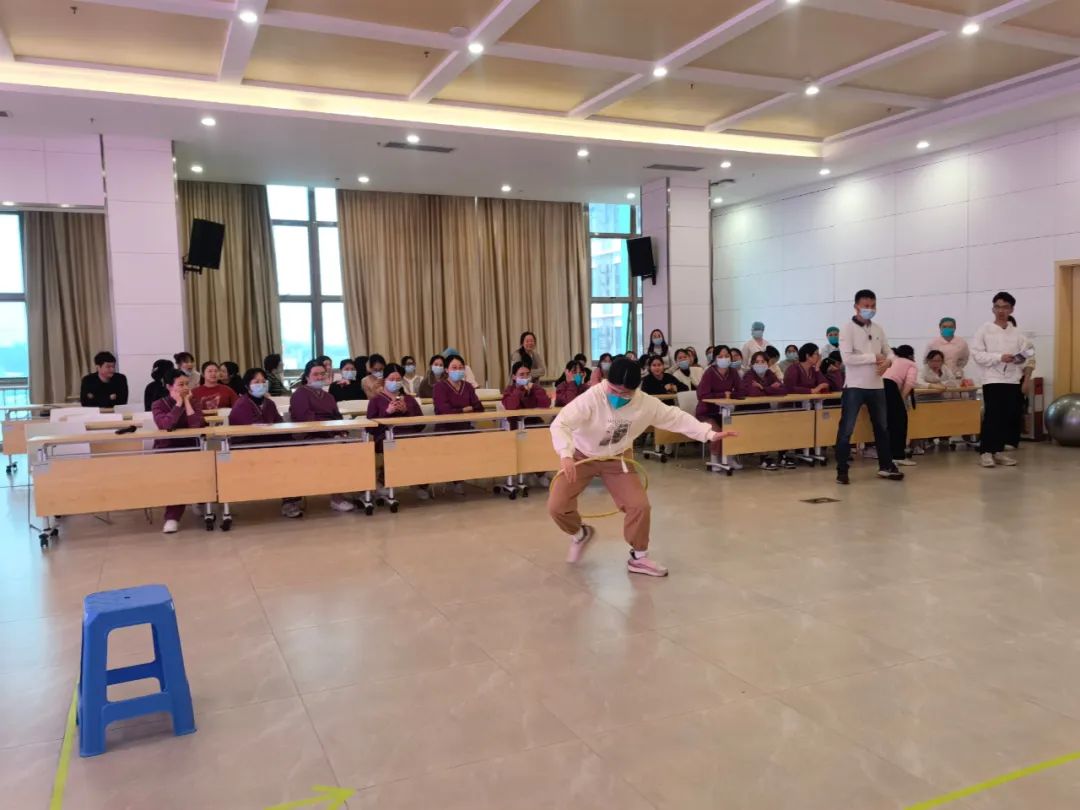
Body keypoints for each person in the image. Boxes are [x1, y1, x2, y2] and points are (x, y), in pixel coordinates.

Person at [548, 357, 736, 577]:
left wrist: (709, 433)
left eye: (625, 393)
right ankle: (579, 534)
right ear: (607, 381)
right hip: (581, 455)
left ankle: (639, 557)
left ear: (635, 389)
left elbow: (675, 417)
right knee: (557, 506)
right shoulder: (591, 398)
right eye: (614, 391)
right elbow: (561, 423)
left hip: (617, 457)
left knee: (640, 506)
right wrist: (565, 454)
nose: (619, 396)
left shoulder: (644, 403)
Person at [835, 289, 904, 485]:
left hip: (876, 385)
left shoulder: (878, 329)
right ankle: (842, 470)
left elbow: (889, 352)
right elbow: (847, 358)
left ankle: (886, 465)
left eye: (873, 306)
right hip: (855, 386)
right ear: (856, 306)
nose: (870, 309)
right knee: (846, 428)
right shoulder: (847, 329)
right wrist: (874, 357)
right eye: (866, 306)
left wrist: (888, 361)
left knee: (882, 427)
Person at [229, 368, 303, 519]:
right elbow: (250, 431)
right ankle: (288, 500)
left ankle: (290, 500)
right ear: (247, 385)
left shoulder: (269, 403)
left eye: (263, 381)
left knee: (293, 455)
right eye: (256, 382)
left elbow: (279, 424)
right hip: (247, 448)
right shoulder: (242, 404)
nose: (261, 384)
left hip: (270, 444)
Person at [971, 292, 1033, 468]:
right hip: (992, 379)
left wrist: (1019, 360)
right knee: (993, 415)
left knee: (1007, 416)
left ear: (1011, 310)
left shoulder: (1017, 333)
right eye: (997, 307)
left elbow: (1028, 353)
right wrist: (999, 357)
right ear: (993, 309)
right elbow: (977, 354)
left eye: (1005, 307)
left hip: (1012, 379)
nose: (1001, 311)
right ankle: (986, 452)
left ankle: (998, 451)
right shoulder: (984, 330)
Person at [290, 359, 355, 511]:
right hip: (310, 436)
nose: (319, 377)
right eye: (315, 374)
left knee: (360, 446)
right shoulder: (300, 394)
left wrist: (341, 432)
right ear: (307, 376)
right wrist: (332, 434)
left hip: (331, 434)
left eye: (322, 374)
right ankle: (336, 498)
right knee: (337, 449)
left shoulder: (329, 396)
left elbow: (337, 417)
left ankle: (360, 489)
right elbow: (305, 420)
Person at [151, 368, 207, 533]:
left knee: (204, 468)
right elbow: (166, 425)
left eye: (187, 384)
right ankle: (172, 517)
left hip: (192, 446)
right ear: (169, 386)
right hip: (168, 449)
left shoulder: (194, 401)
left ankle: (200, 501)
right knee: (177, 477)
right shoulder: (158, 404)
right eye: (180, 384)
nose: (185, 388)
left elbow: (196, 425)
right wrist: (178, 404)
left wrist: (187, 402)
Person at [366, 363, 429, 501]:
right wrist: (387, 412)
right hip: (386, 437)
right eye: (392, 379)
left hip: (409, 435)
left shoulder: (410, 399)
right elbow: (369, 428)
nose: (395, 382)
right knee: (394, 446)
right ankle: (384, 481)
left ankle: (420, 483)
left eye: (398, 379)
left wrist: (406, 411)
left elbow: (421, 424)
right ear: (385, 380)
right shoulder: (376, 400)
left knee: (423, 444)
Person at [433, 354, 484, 495]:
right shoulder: (439, 387)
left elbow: (478, 406)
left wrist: (465, 409)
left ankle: (464, 477)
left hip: (465, 427)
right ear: (446, 370)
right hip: (445, 429)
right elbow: (443, 409)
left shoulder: (468, 386)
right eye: (454, 368)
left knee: (484, 440)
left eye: (461, 368)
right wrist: (462, 410)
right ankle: (453, 479)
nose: (458, 370)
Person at [695, 345, 744, 470]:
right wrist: (723, 394)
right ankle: (715, 459)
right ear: (715, 358)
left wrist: (731, 394)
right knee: (717, 431)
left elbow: (741, 391)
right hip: (706, 412)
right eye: (720, 356)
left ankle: (729, 457)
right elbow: (702, 395)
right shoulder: (709, 372)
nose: (724, 358)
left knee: (732, 429)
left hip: (725, 411)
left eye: (727, 356)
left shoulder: (733, 372)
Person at [740, 351, 789, 470]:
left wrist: (763, 388)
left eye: (763, 362)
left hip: (764, 409)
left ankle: (782, 455)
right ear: (752, 364)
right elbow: (754, 393)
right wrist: (770, 389)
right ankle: (764, 457)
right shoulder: (749, 375)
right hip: (747, 412)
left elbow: (783, 389)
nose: (760, 364)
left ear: (768, 364)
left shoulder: (769, 373)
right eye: (757, 362)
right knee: (763, 426)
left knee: (782, 423)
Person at [882, 345, 918, 467]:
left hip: (878, 386)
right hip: (890, 387)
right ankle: (898, 456)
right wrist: (901, 398)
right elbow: (909, 383)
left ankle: (888, 455)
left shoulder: (893, 359)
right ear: (911, 355)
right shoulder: (911, 364)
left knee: (888, 422)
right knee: (900, 422)